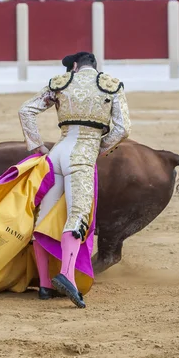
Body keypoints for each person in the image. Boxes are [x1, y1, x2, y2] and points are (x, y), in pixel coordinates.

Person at [18, 52, 131, 308]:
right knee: (78, 215)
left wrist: (37, 146)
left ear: (76, 66)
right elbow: (124, 129)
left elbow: (25, 110)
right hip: (82, 155)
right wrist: (98, 148)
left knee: (44, 216)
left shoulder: (60, 82)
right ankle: (67, 275)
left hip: (57, 153)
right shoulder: (112, 85)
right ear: (93, 66)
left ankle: (45, 285)